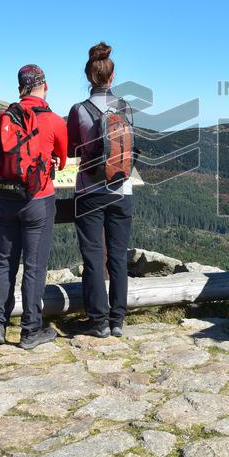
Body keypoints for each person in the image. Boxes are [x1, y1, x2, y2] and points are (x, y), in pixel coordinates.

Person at [0, 64, 68, 349]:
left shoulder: (6, 116)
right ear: (44, 86)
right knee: (34, 266)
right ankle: (30, 331)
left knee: (4, 261)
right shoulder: (55, 121)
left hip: (6, 198)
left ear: (20, 88)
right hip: (39, 199)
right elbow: (62, 154)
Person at [68, 42, 134, 338]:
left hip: (89, 190)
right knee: (119, 255)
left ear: (88, 75)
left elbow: (72, 150)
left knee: (94, 256)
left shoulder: (79, 110)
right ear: (112, 75)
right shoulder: (125, 107)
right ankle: (118, 319)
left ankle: (99, 321)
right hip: (122, 188)